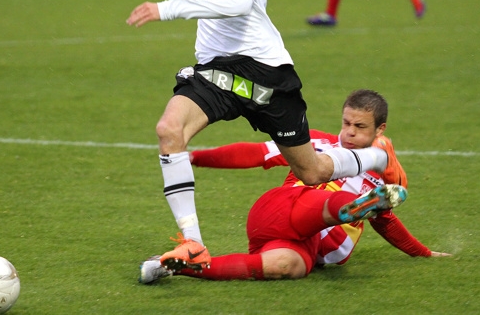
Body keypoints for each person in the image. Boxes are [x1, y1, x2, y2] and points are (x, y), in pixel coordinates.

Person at [127, 0, 402, 272]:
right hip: (217, 71)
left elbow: (238, 2)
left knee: (311, 172)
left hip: (264, 71)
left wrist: (170, 7)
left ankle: (377, 159)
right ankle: (194, 244)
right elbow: (217, 4)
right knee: (169, 130)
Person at [139, 89, 451, 283]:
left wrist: (422, 253)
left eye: (360, 127)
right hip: (283, 210)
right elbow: (257, 154)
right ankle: (347, 209)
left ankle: (177, 267)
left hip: (305, 247)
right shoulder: (317, 142)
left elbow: (387, 222)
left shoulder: (377, 178)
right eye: (346, 123)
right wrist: (191, 158)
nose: (350, 132)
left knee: (286, 267)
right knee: (326, 201)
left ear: (380, 129)